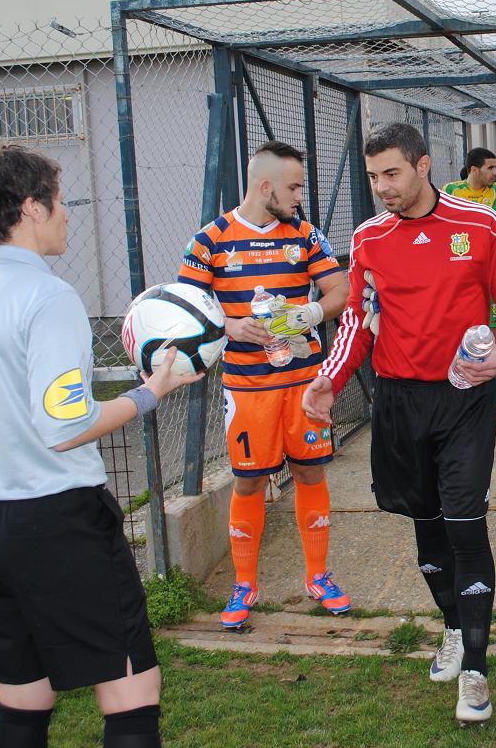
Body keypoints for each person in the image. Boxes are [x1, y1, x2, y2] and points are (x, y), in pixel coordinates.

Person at [0, 142, 201, 748]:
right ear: (31, 208)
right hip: (55, 522)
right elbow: (66, 425)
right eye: (60, 201)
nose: (68, 213)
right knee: (131, 690)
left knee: (26, 692)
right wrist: (152, 391)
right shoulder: (48, 298)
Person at [302, 123, 496, 725]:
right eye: (374, 176)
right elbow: (357, 317)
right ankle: (453, 630)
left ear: (423, 166)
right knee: (425, 524)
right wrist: (329, 376)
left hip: (464, 398)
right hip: (400, 402)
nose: (382, 187)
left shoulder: (480, 225)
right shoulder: (369, 237)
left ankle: (477, 671)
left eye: (392, 174)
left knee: (464, 523)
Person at [178, 140, 350, 629]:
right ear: (266, 186)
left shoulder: (306, 234)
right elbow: (188, 308)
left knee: (311, 473)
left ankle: (318, 576)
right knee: (249, 479)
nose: (300, 196)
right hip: (248, 387)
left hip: (303, 383)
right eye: (294, 187)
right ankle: (244, 583)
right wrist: (230, 326)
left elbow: (340, 289)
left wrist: (313, 311)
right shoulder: (210, 239)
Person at [443, 148, 496, 424]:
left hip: (493, 277)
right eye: (490, 168)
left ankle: (493, 404)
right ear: (474, 169)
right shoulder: (450, 190)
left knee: (493, 344)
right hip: (462, 280)